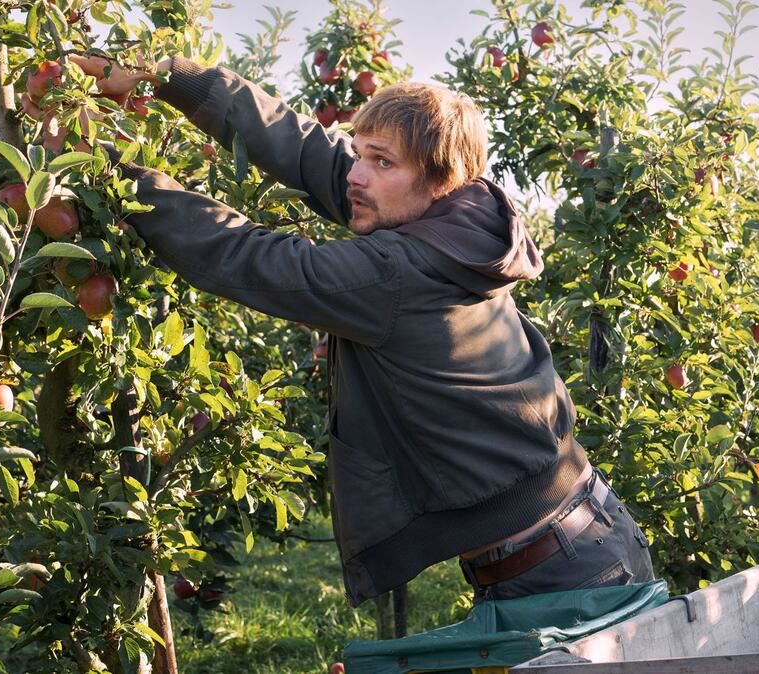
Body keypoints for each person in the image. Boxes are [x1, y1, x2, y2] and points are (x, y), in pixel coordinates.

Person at [70, 53, 654, 607]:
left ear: (440, 179)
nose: (356, 175)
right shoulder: (463, 219)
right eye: (359, 153)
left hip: (562, 573)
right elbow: (304, 146)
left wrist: (107, 174)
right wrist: (164, 75)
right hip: (580, 540)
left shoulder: (400, 273)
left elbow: (248, 258)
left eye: (382, 162)